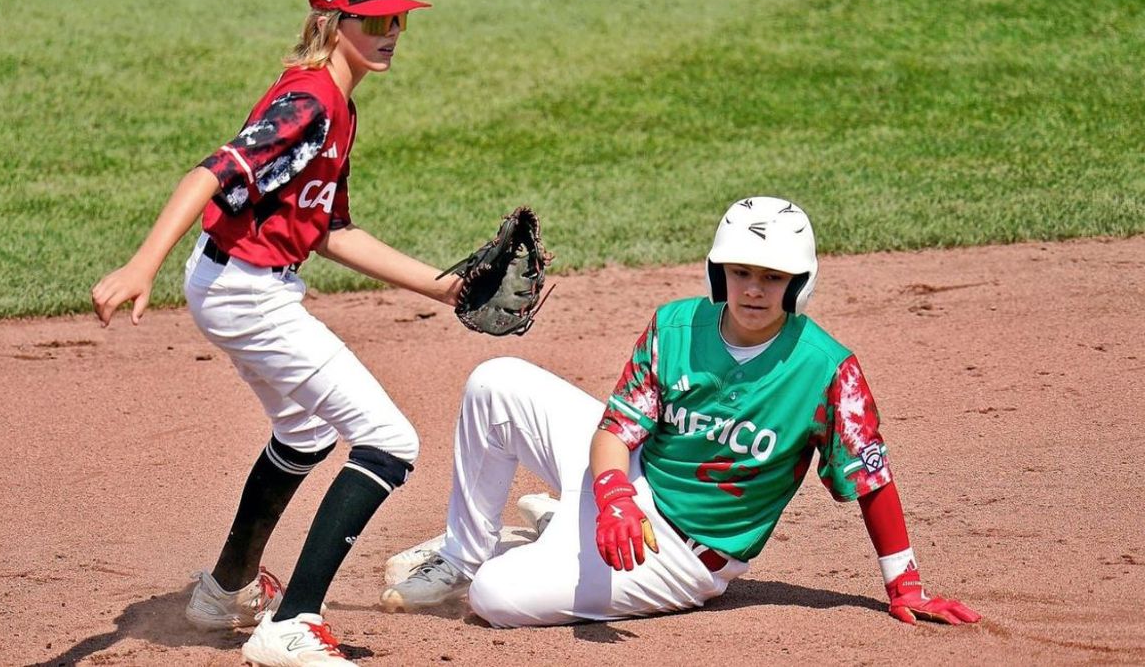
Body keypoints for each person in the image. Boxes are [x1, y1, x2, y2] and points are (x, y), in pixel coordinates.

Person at [380, 196, 982, 629]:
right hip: (628, 490)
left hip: (677, 556)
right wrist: (613, 495)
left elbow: (872, 481)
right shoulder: (676, 325)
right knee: (497, 380)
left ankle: (549, 536)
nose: (752, 289)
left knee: (496, 598)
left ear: (799, 284)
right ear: (718, 273)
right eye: (740, 272)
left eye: (772, 278)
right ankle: (464, 552)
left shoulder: (829, 371)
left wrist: (905, 586)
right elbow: (617, 430)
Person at [92, 0, 452, 666]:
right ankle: (293, 623)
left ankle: (225, 591)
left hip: (242, 285)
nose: (388, 33)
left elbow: (331, 231)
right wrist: (142, 264)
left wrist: (443, 287)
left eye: (397, 21)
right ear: (333, 19)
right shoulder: (310, 99)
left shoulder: (338, 105)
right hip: (247, 292)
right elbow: (214, 170)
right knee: (390, 440)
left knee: (307, 431)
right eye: (373, 19)